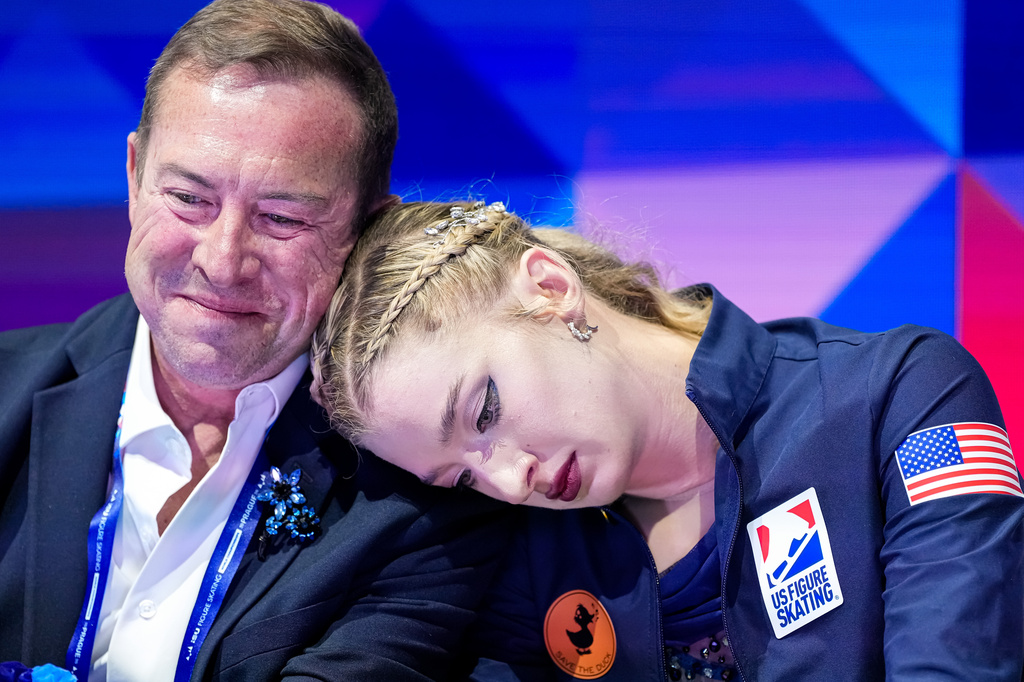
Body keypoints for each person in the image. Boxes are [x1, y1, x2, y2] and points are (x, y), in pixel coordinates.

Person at [0, 3, 509, 680]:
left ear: (366, 230)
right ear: (133, 176)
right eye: (188, 198)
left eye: (281, 217)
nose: (222, 257)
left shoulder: (423, 501)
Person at [310, 199, 1024, 680]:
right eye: (461, 478)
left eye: (485, 411)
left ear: (551, 289)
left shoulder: (900, 392)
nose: (506, 480)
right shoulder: (523, 556)